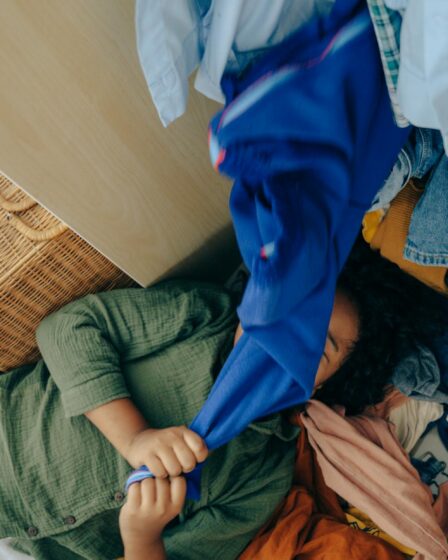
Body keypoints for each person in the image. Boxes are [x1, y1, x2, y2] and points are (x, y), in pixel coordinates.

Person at [2, 243, 445, 559]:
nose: (290, 335)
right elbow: (66, 329)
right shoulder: (200, 315)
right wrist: (135, 437)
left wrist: (143, 539)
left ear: (317, 390)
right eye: (292, 309)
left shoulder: (260, 479)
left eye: (317, 348)